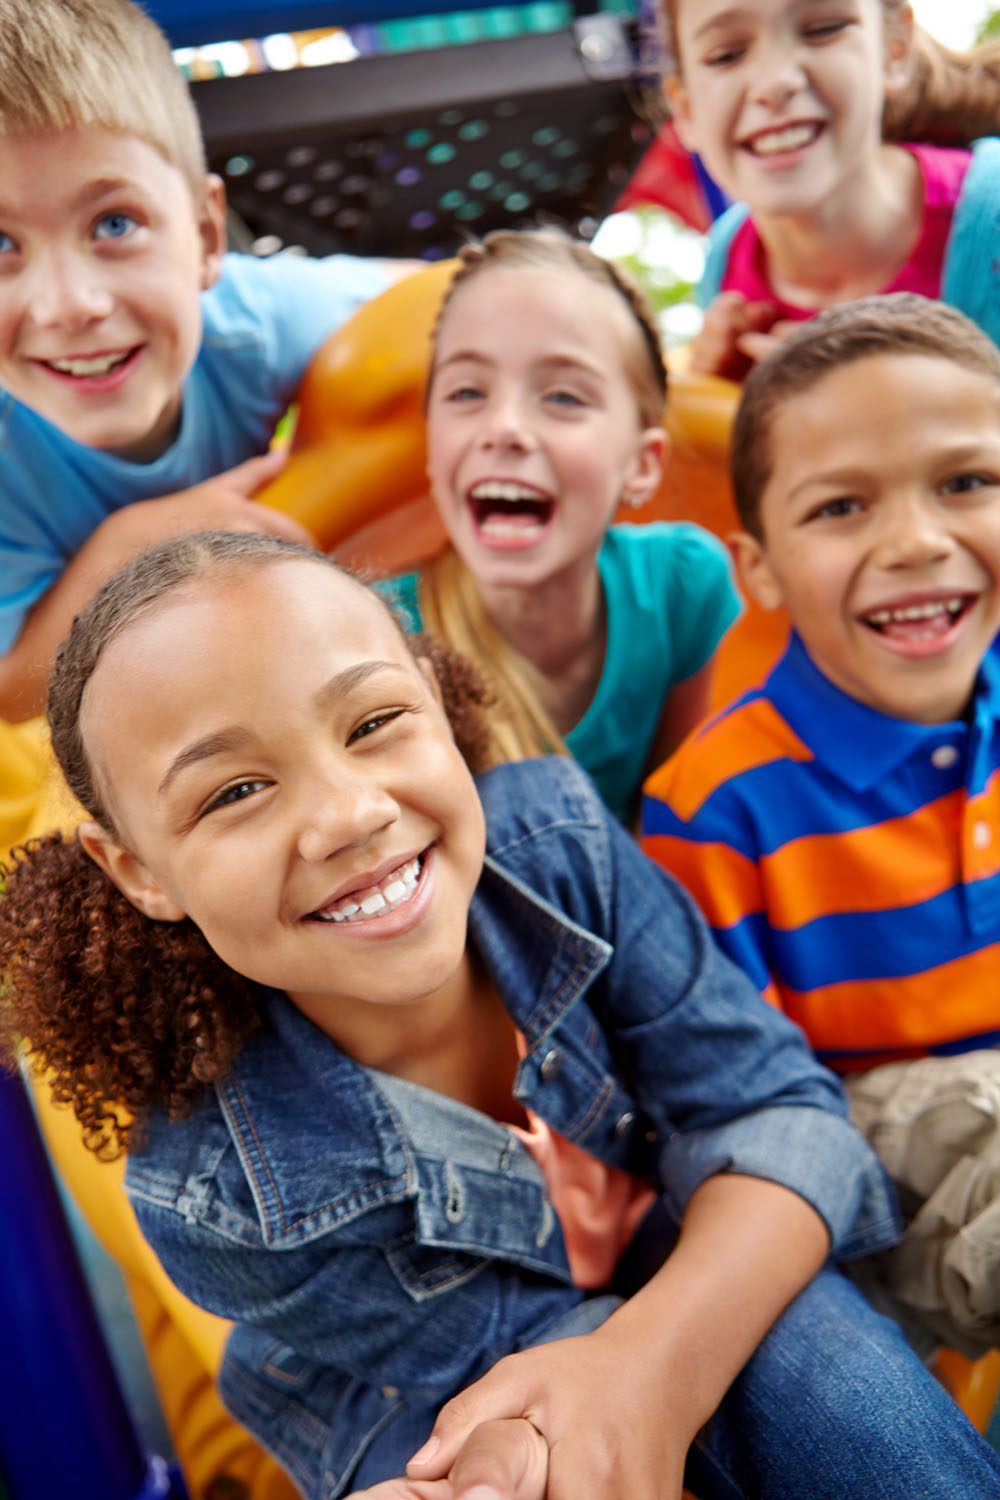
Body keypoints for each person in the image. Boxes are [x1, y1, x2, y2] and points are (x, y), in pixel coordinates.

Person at [2, 530, 999, 1500]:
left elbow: (779, 1113)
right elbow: (519, 1372)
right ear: (135, 872)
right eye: (239, 790)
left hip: (672, 1224)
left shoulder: (561, 845)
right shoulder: (211, 1195)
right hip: (423, 1399)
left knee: (830, 1374)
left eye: (371, 722)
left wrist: (650, 1369)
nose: (351, 814)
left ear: (434, 701)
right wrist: (575, 1420)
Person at [643, 293, 1000, 1360]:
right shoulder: (718, 805)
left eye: (964, 483)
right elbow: (736, 1107)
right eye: (841, 507)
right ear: (760, 569)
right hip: (864, 1182)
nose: (914, 541)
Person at [0, 0, 395, 722]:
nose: (69, 304)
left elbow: (459, 296)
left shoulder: (258, 322)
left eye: (114, 224)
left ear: (208, 236)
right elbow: (11, 692)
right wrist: (129, 548)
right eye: (1, 246)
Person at [379, 229, 740, 825]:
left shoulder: (682, 587)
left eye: (564, 397)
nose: (505, 428)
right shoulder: (377, 637)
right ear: (431, 448)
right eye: (467, 391)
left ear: (642, 465)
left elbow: (677, 821)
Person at [660, 0, 1000, 379]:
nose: (776, 82)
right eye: (726, 55)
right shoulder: (726, 264)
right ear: (685, 109)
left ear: (894, 51)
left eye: (823, 29)